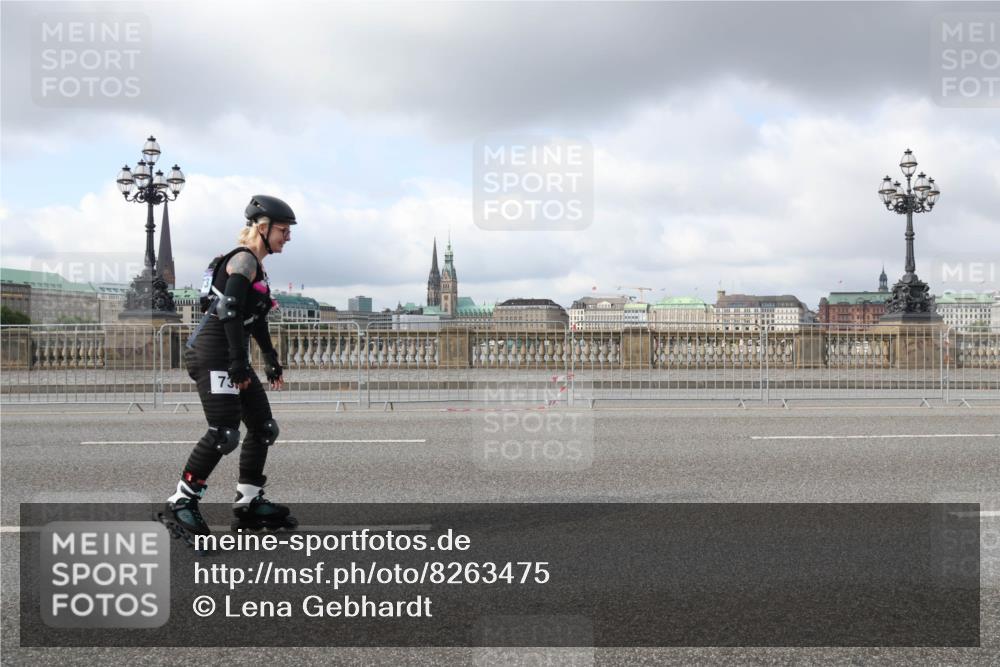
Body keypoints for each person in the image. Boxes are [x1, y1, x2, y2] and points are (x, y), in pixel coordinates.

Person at [158, 195, 298, 543]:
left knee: (264, 427)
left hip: (230, 354)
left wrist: (270, 358)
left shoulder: (256, 267)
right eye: (284, 230)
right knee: (224, 433)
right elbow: (230, 309)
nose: (288, 237)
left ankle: (248, 501)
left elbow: (256, 319)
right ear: (263, 228)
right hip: (213, 354)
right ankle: (181, 500)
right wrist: (238, 363)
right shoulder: (244, 261)